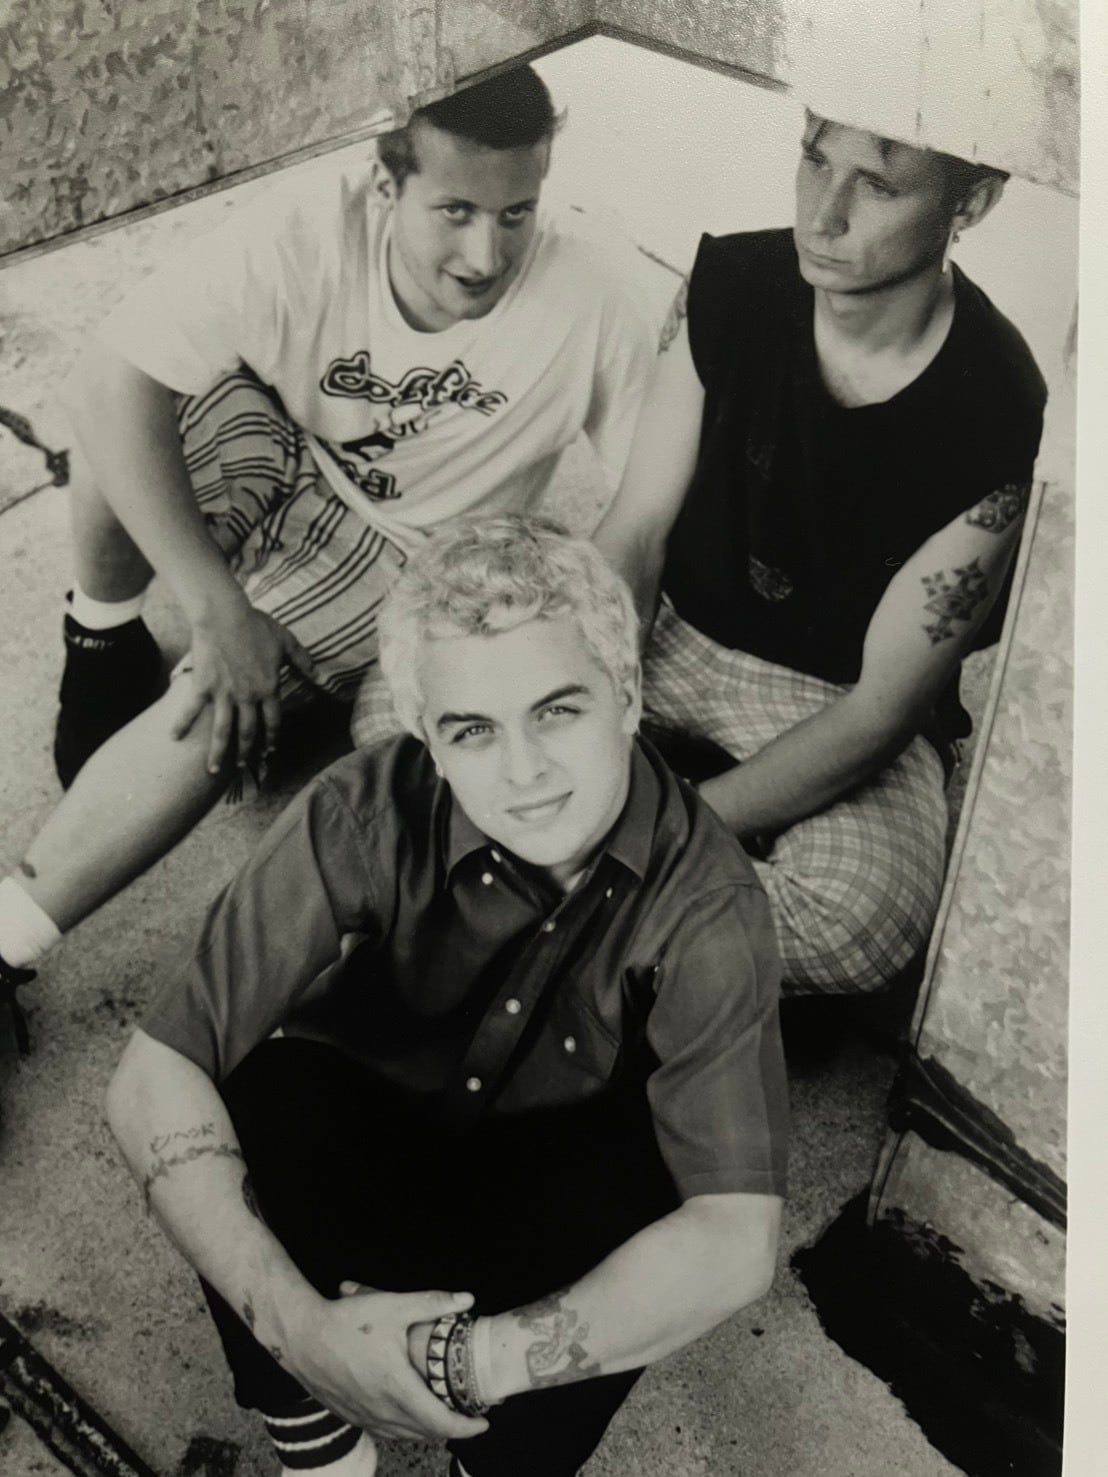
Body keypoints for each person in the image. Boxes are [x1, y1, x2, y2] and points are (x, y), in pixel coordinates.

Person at [104, 516, 787, 1477]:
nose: (524, 771)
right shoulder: (366, 805)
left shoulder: (710, 903)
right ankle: (320, 1446)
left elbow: (736, 1238)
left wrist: (468, 1363)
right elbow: (150, 1076)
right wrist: (303, 1335)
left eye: (558, 710)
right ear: (428, 736)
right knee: (258, 1096)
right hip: (377, 1134)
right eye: (473, 729)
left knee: (648, 1194)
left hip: (547, 1197)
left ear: (628, 696)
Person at [0, 66, 654, 1047]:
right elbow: (107, 382)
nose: (487, 254)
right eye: (456, 211)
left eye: (516, 213)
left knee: (216, 703)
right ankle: (101, 632)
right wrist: (217, 607)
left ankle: (5, 939)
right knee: (128, 407)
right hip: (284, 435)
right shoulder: (308, 225)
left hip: (399, 541)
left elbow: (657, 505)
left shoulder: (591, 299)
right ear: (387, 180)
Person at [594, 109, 1047, 996]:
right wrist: (575, 706)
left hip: (832, 695)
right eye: (814, 161)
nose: (823, 214)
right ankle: (646, 947)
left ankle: (557, 913)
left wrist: (658, 832)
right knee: (419, 708)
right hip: (675, 631)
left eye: (877, 184)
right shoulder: (731, 280)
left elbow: (882, 711)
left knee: (867, 918)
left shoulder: (999, 405)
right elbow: (635, 530)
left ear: (972, 204)